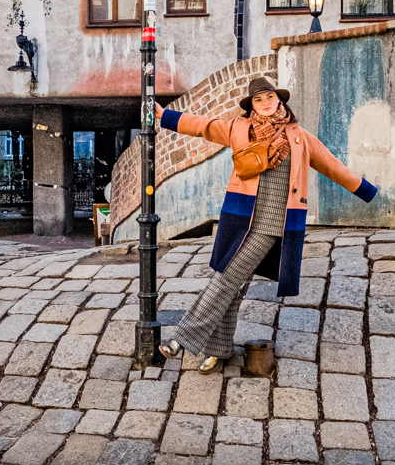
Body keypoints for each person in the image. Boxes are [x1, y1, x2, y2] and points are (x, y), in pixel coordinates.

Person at [153, 77, 378, 373]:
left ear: (279, 99)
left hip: (274, 225)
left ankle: (181, 339)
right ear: (252, 105)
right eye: (258, 100)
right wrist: (164, 116)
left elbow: (331, 165)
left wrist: (366, 190)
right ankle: (219, 349)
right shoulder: (239, 129)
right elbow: (204, 126)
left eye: (269, 97)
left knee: (226, 278)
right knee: (232, 282)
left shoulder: (300, 137)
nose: (265, 103)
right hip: (240, 217)